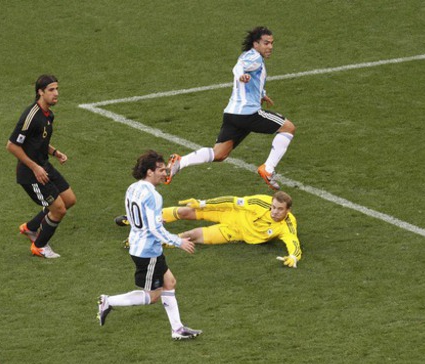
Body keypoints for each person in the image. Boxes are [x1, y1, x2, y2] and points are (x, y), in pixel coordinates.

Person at [166, 26, 296, 190]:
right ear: (255, 44)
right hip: (249, 113)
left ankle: (181, 161)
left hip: (232, 114)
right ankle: (268, 169)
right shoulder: (254, 58)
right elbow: (238, 68)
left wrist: (262, 94)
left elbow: (251, 78)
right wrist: (240, 75)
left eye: (271, 43)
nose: (270, 47)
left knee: (219, 154)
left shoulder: (250, 56)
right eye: (266, 43)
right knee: (288, 128)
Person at [98, 150, 201, 340]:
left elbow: (134, 217)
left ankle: (177, 329)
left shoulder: (132, 188)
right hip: (147, 251)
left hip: (139, 245)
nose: (165, 173)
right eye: (161, 170)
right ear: (149, 172)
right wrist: (178, 241)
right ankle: (108, 301)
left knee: (170, 283)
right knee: (153, 296)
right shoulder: (154, 196)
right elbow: (155, 229)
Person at [117, 191, 302, 268]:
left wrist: (293, 257)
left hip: (234, 232)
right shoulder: (260, 202)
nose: (274, 212)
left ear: (288, 210)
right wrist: (203, 203)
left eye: (279, 209)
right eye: (273, 207)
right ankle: (136, 219)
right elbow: (231, 201)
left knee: (193, 235)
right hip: (229, 213)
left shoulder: (287, 225)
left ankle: (150, 242)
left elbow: (293, 242)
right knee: (186, 211)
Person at [6, 75, 76, 258]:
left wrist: (55, 152)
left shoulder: (48, 114)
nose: (56, 93)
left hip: (44, 166)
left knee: (69, 200)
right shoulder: (31, 117)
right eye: (51, 90)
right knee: (59, 210)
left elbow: (38, 141)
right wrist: (35, 167)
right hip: (31, 173)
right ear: (40, 92)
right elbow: (12, 145)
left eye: (57, 89)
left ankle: (31, 227)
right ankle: (39, 246)